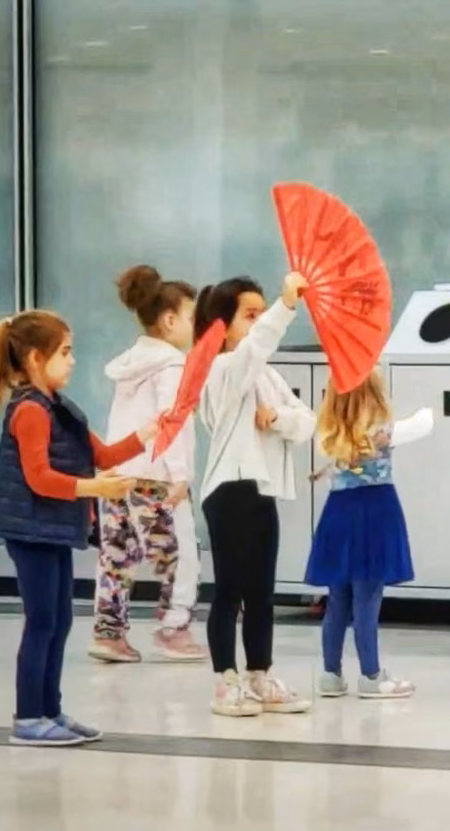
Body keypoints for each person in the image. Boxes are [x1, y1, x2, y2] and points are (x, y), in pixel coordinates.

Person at [0, 310, 158, 746]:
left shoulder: (58, 408)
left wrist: (151, 431)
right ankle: (28, 718)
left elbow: (103, 454)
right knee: (42, 621)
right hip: (31, 531)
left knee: (59, 620)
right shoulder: (30, 411)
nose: (73, 360)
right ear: (35, 358)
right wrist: (96, 488)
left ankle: (49, 710)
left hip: (53, 528)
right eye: (65, 352)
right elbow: (38, 477)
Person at [195, 272, 317, 716]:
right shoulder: (223, 369)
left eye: (263, 313)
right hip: (230, 488)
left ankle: (259, 675)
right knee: (230, 589)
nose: (259, 322)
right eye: (250, 315)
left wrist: (277, 419)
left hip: (262, 488)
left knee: (262, 590)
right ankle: (225, 680)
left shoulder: (265, 374)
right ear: (222, 325)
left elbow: (306, 421)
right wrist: (286, 307)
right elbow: (253, 349)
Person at [89, 265, 204, 664]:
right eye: (192, 317)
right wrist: (179, 476)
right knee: (181, 554)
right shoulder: (173, 365)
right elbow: (168, 421)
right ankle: (174, 629)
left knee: (116, 556)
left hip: (118, 475)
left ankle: (109, 633)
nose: (197, 326)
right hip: (156, 478)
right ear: (170, 320)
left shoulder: (130, 362)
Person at [306, 371, 434, 699]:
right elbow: (425, 421)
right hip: (376, 510)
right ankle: (371, 674)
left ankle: (331, 674)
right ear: (374, 394)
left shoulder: (328, 432)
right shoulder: (385, 432)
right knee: (367, 596)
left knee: (338, 599)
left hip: (338, 513)